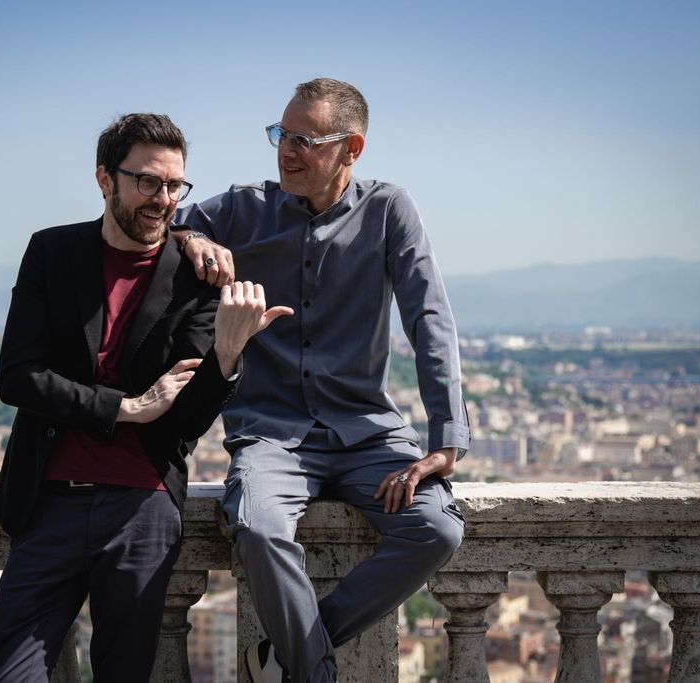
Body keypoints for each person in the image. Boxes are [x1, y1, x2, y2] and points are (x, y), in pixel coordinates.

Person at [174, 78, 470, 683]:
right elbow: (166, 222)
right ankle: (313, 671)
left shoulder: (388, 209)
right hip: (271, 434)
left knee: (437, 528)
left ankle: (290, 658)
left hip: (365, 431)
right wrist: (194, 237)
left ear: (351, 148)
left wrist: (446, 440)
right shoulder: (244, 208)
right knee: (257, 529)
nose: (286, 150)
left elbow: (429, 319)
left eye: (305, 140)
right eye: (281, 134)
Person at [0, 112, 290, 682]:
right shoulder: (52, 252)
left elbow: (184, 422)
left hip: (142, 507)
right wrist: (126, 407)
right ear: (105, 179)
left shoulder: (197, 280)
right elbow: (18, 376)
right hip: (47, 500)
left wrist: (227, 355)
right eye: (147, 181)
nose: (163, 199)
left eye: (174, 185)